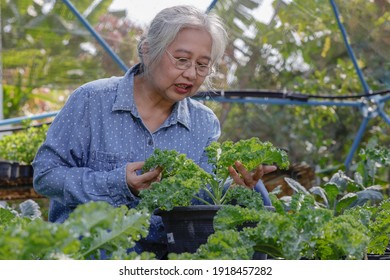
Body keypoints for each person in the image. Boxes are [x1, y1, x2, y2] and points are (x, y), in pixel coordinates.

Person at [32, 5, 276, 259]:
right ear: (148, 51)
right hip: (92, 252)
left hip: (170, 256)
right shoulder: (92, 100)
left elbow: (198, 201)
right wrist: (118, 184)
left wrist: (234, 192)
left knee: (257, 194)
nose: (191, 74)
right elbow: (46, 175)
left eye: (202, 65)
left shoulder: (203, 123)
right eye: (181, 60)